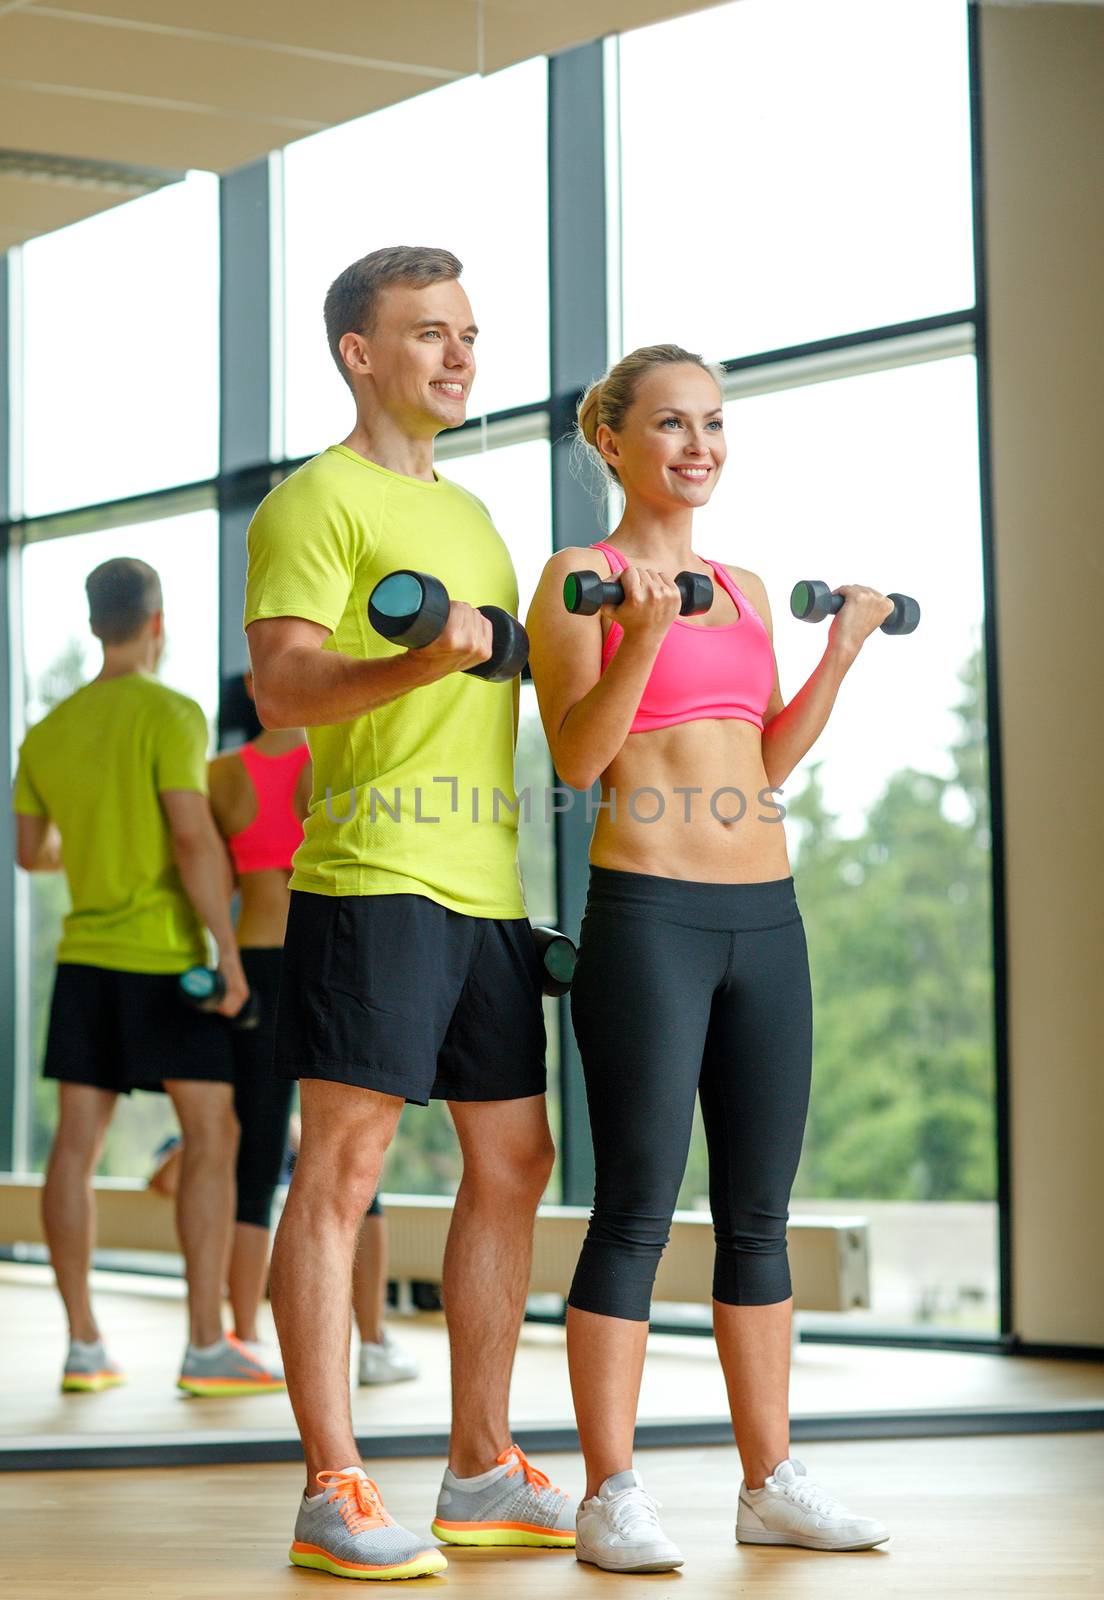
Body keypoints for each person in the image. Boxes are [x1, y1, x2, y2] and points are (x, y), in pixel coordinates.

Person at [525, 344, 892, 1572]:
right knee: (634, 1206)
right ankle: (610, 1495)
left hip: (766, 922)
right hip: (650, 915)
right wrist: (636, 632)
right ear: (613, 441)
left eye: (716, 426)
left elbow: (765, 759)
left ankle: (769, 1480)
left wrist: (839, 653)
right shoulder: (578, 580)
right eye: (673, 425)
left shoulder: (737, 585)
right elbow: (578, 760)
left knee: (759, 1215)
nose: (699, 447)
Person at [244, 245, 572, 1581]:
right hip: (372, 874)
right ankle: (333, 1485)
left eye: (471, 334)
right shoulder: (310, 503)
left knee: (518, 1162)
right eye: (429, 333)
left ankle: (483, 1465)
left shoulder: (482, 520)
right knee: (343, 1173)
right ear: (358, 352)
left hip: (487, 884)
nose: (459, 356)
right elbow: (284, 691)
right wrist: (424, 652)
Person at [13, 557, 282, 1397]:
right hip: (164, 960)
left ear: (97, 625)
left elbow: (32, 853)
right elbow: (193, 840)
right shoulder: (172, 712)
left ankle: (83, 1344)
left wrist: (91, 847)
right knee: (217, 1135)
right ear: (156, 624)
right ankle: (206, 1344)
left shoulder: (46, 733)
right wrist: (227, 952)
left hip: (84, 962)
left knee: (75, 1145)